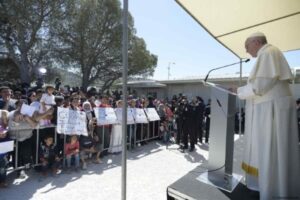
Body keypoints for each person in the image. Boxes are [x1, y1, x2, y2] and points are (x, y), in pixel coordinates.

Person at [237, 32, 300, 199]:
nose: (246, 50)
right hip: (270, 108)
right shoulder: (268, 54)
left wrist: (238, 92)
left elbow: (260, 86)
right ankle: (270, 187)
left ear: (256, 42)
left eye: (247, 46)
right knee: (271, 151)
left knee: (271, 151)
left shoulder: (268, 52)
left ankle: (275, 191)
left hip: (272, 111)